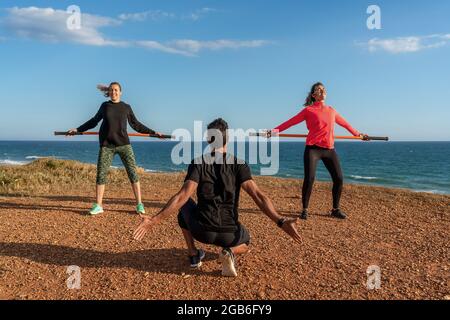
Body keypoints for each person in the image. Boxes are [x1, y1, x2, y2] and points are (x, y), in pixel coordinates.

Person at [133, 118, 301, 277]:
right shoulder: (239, 164)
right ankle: (230, 251)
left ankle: (193, 254)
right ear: (227, 139)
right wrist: (280, 221)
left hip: (201, 231)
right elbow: (258, 195)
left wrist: (153, 220)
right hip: (229, 235)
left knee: (184, 205)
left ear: (209, 140)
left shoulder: (198, 162)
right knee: (246, 242)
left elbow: (182, 196)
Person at [268, 82, 368, 220]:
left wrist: (360, 135)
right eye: (318, 90)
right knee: (310, 179)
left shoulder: (332, 110)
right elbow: (290, 122)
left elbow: (346, 124)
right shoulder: (308, 111)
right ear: (313, 95)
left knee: (339, 178)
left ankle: (335, 209)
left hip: (329, 150)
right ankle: (305, 209)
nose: (321, 91)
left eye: (323, 89)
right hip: (313, 149)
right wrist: (273, 131)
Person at [67, 82, 164, 215]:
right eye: (112, 90)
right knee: (101, 174)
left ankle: (139, 204)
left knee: (133, 173)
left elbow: (136, 125)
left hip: (124, 145)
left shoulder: (126, 107)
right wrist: (78, 129)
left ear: (121, 92)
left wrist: (153, 133)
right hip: (107, 146)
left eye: (116, 90)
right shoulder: (105, 106)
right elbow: (93, 121)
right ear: (109, 92)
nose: (114, 92)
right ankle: (99, 205)